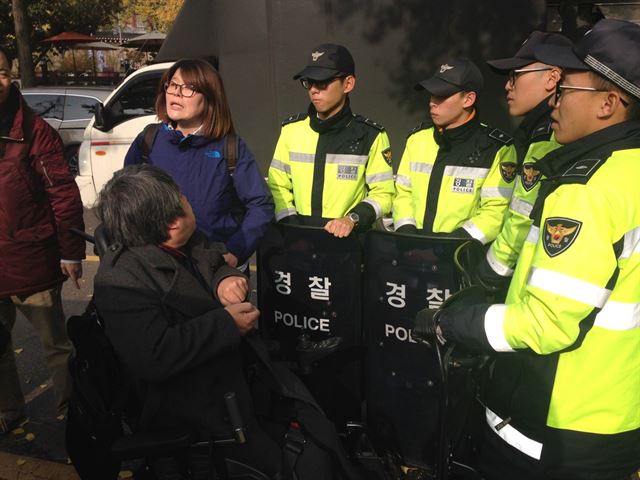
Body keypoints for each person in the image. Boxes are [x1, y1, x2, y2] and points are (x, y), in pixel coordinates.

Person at [416, 18, 640, 480]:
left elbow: (547, 325)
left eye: (566, 91)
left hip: (558, 418)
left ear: (608, 104)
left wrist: (459, 321)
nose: (554, 100)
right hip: (618, 409)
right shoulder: (629, 168)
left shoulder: (586, 188)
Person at [93, 164, 282, 476]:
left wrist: (226, 279)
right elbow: (154, 355)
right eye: (179, 205)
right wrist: (226, 325)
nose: (186, 203)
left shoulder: (188, 240)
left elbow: (214, 259)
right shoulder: (120, 278)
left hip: (236, 383)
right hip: (191, 411)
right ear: (166, 226)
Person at [0, 44, 85, 432]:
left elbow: (63, 196)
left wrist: (71, 252)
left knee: (56, 346)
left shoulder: (35, 131)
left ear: (11, 74)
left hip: (31, 256)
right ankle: (8, 409)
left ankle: (74, 412)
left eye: (0, 72)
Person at [124, 58, 274, 273]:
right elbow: (126, 197)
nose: (176, 93)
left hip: (215, 267)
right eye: (173, 84)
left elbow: (261, 204)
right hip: (158, 266)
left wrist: (235, 252)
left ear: (210, 97)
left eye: (189, 88)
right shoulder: (149, 139)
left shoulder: (230, 147)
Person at [461, 32, 573, 290]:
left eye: (516, 75)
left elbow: (523, 217)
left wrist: (488, 271)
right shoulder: (534, 133)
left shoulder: (550, 136)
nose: (507, 86)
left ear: (552, 77)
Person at [268, 43, 395, 238]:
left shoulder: (371, 135)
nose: (313, 90)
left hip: (348, 246)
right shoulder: (291, 130)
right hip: (297, 242)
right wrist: (290, 224)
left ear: (348, 84)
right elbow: (278, 185)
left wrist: (352, 219)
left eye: (322, 82)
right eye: (308, 82)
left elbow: (383, 193)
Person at [392, 58, 514, 243]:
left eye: (442, 95)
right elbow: (403, 194)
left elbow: (495, 213)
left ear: (468, 99)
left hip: (461, 259)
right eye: (432, 94)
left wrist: (446, 248)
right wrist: (408, 235)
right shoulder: (417, 140)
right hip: (410, 252)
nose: (432, 102)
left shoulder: (497, 148)